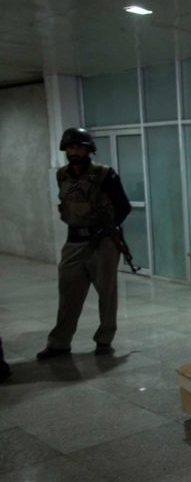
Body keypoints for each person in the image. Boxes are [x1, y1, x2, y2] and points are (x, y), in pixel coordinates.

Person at [36, 128, 132, 360]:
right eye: (70, 147)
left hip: (102, 242)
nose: (74, 152)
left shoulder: (104, 174)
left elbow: (124, 207)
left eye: (79, 147)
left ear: (88, 150)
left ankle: (104, 339)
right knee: (68, 293)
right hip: (74, 240)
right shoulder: (62, 175)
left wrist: (108, 229)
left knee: (106, 294)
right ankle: (59, 343)